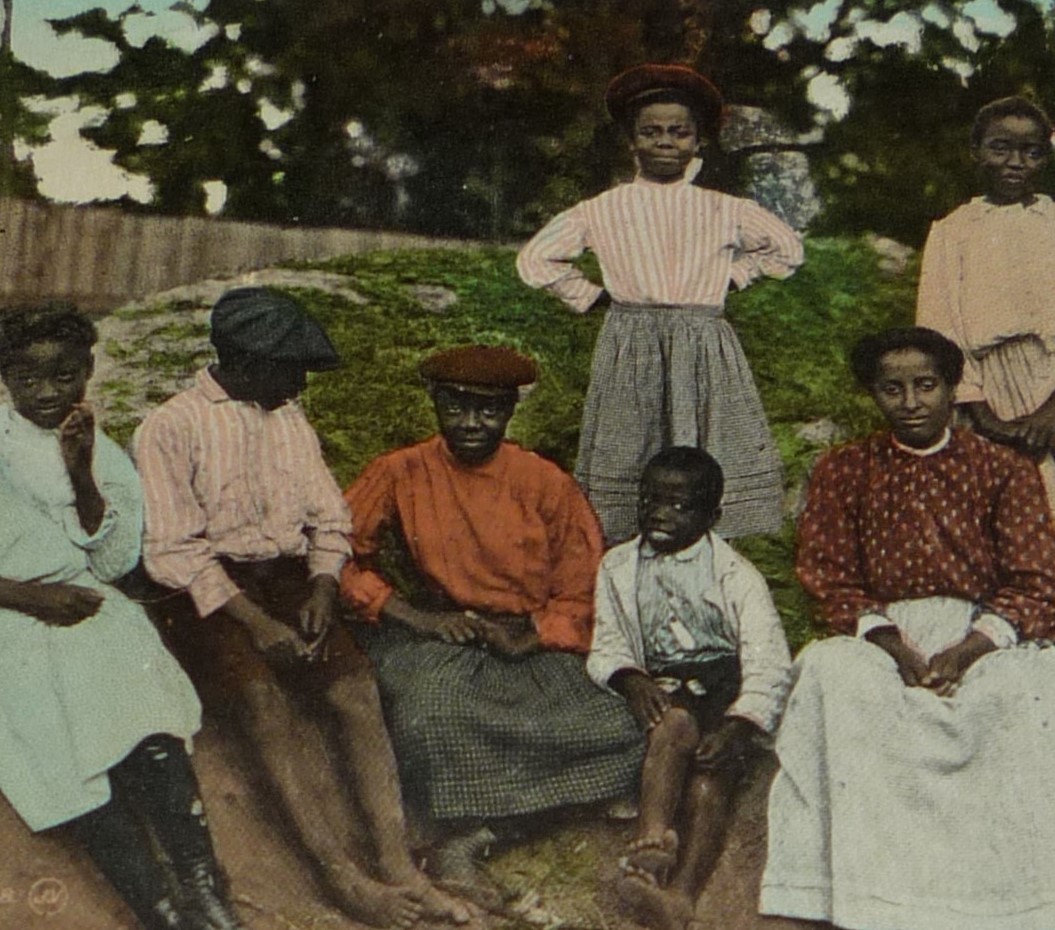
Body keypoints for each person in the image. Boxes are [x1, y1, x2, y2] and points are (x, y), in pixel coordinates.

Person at [133, 287, 467, 930]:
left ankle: (396, 864)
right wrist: (257, 625)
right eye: (292, 369)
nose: (301, 384)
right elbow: (173, 552)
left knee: (355, 689)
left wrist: (320, 588)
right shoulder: (170, 427)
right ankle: (339, 877)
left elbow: (327, 517)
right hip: (205, 591)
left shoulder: (287, 418)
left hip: (286, 578)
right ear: (247, 362)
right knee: (263, 701)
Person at [759, 327, 1055, 930]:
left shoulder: (1002, 469)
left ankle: (1038, 896)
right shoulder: (844, 470)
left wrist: (968, 650)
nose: (911, 402)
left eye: (926, 385)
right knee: (829, 673)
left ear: (952, 390)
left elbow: (1036, 584)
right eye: (892, 388)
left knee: (1037, 691)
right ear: (873, 394)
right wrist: (893, 646)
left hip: (985, 632)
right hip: (884, 633)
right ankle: (871, 896)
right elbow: (828, 575)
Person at [340, 344, 644, 904]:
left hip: (528, 642)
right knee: (427, 711)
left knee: (622, 727)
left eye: (489, 410)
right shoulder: (400, 470)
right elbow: (334, 553)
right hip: (443, 635)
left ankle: (484, 834)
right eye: (457, 407)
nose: (472, 423)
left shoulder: (544, 482)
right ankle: (447, 834)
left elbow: (584, 587)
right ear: (435, 401)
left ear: (509, 412)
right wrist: (408, 613)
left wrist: (534, 633)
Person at [0, 305, 241, 930]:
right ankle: (158, 910)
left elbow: (112, 561)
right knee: (57, 750)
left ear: (87, 371)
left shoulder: (95, 446)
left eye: (63, 376)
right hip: (8, 618)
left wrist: (82, 476)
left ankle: (201, 884)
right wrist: (27, 598)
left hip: (84, 606)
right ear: (5, 377)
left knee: (140, 711)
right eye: (28, 380)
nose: (48, 393)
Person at [516, 63, 803, 545]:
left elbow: (787, 248)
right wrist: (590, 295)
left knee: (705, 435)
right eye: (650, 132)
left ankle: (706, 540)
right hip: (633, 340)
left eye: (679, 132)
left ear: (697, 141)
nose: (665, 142)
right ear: (632, 142)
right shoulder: (605, 208)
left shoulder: (722, 208)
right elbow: (536, 258)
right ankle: (627, 542)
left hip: (703, 340)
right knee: (631, 438)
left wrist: (734, 275)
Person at [917, 95, 1055, 728]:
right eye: (1001, 148)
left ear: (1045, 158)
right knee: (1019, 538)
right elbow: (939, 330)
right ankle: (1035, 682)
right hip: (990, 395)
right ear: (977, 153)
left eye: (1030, 151)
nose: (1015, 162)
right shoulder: (952, 233)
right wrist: (984, 415)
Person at [588, 446, 791, 930]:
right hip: (664, 688)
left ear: (712, 516)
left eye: (681, 507)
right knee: (673, 724)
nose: (661, 514)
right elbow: (606, 644)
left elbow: (771, 662)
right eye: (651, 500)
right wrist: (629, 677)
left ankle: (680, 896)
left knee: (707, 782)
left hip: (725, 689)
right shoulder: (617, 568)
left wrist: (741, 726)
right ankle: (652, 843)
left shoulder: (734, 574)